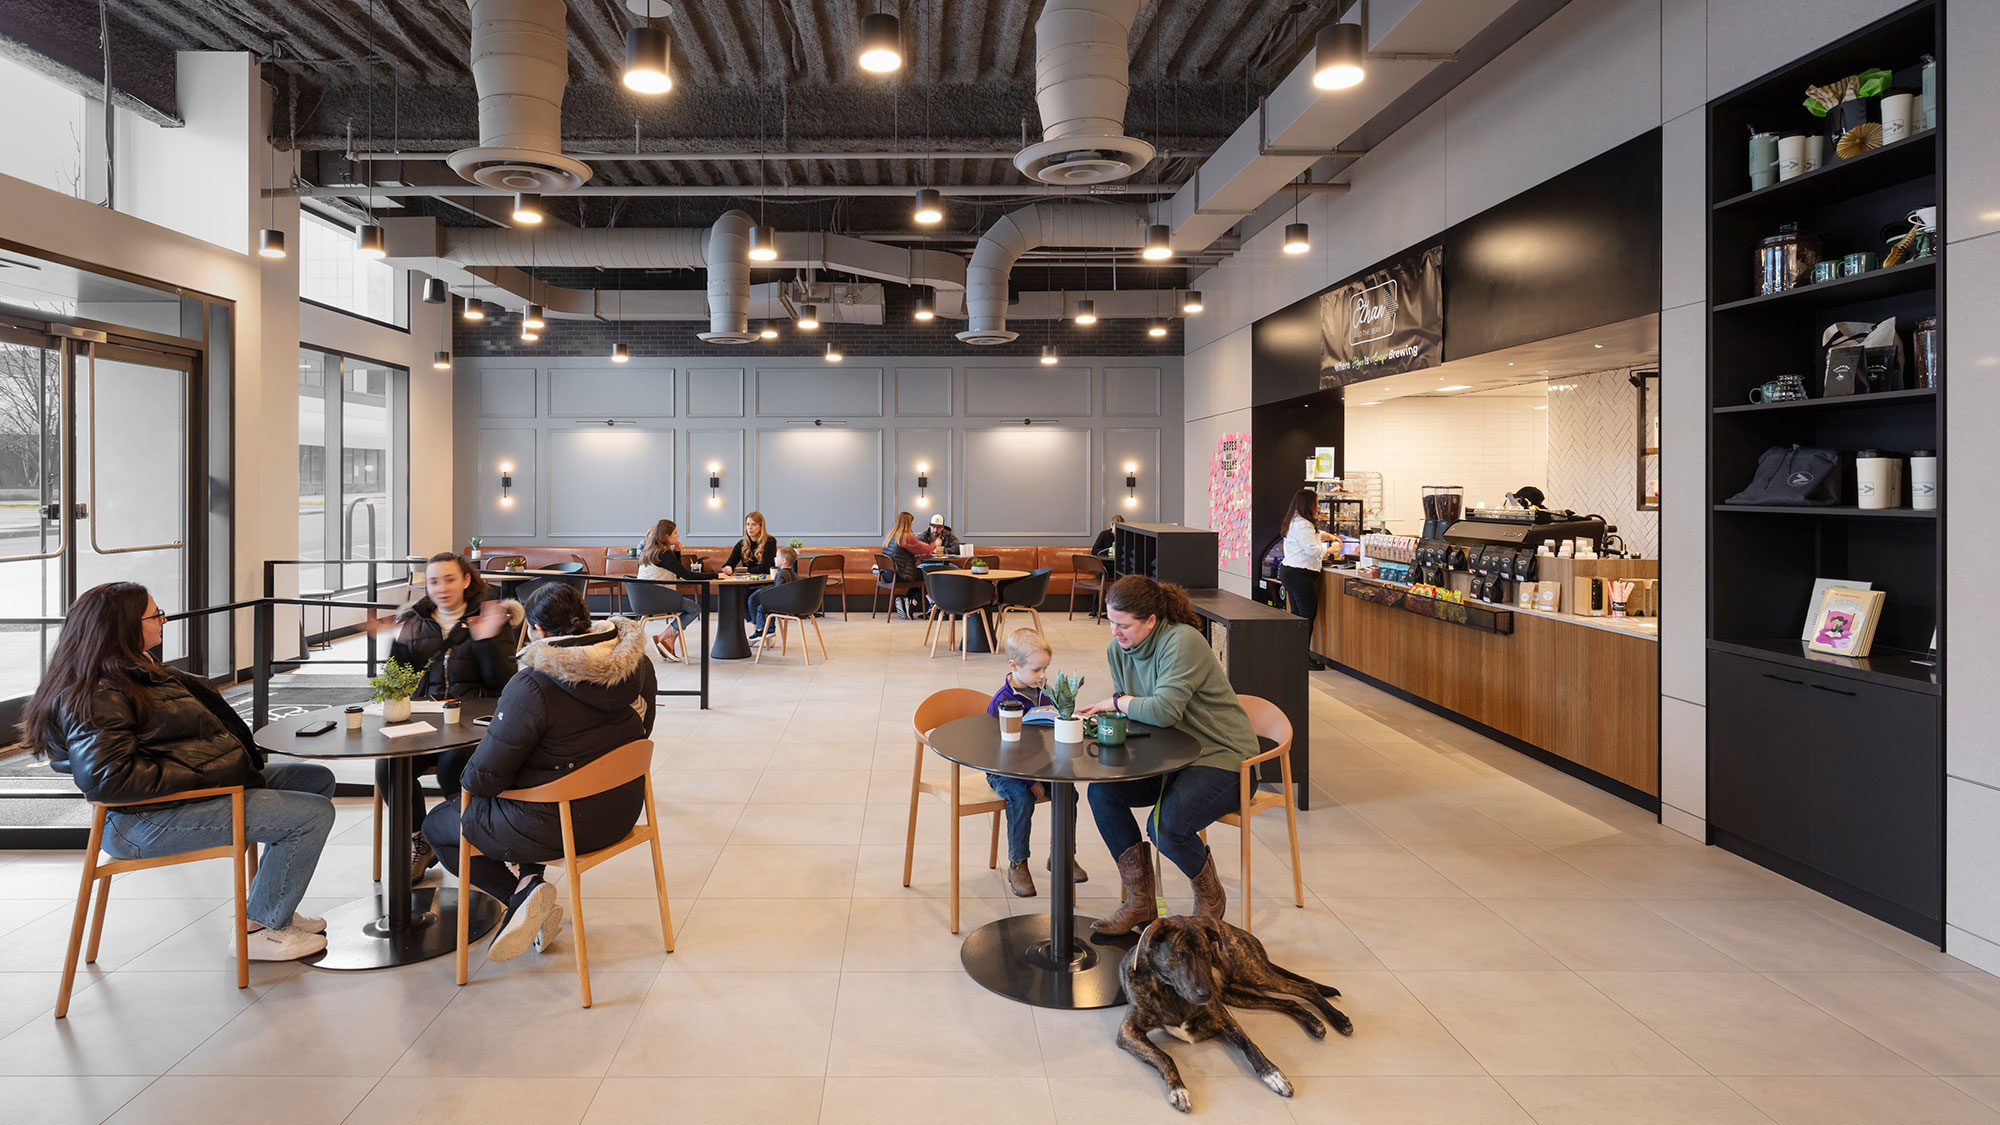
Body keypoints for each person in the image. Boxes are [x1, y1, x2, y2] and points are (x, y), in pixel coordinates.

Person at [21, 582, 338, 961]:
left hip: (173, 800)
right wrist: (212, 771)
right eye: (155, 615)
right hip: (143, 821)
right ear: (123, 627)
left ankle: (272, 901)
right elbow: (111, 779)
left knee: (314, 779)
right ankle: (261, 928)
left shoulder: (137, 670)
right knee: (311, 815)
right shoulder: (99, 693)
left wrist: (219, 766)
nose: (164, 619)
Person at [422, 582, 657, 962]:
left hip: (560, 826)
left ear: (537, 631)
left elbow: (483, 778)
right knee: (537, 792)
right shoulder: (638, 664)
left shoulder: (533, 683)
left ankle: (521, 897)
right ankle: (531, 882)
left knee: (439, 825)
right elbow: (641, 732)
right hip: (621, 809)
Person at [1077, 575, 1259, 935]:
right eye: (1111, 622)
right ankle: (1139, 900)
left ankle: (1210, 896)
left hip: (1223, 757)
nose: (1115, 632)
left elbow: (1163, 711)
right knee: (1102, 792)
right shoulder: (1119, 651)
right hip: (1172, 759)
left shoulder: (1182, 641)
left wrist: (1116, 702)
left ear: (1151, 621)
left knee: (1164, 826)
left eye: (1124, 624)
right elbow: (1135, 711)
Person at [367, 551, 523, 884]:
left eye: (450, 579)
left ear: (466, 580)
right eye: (434, 580)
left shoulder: (490, 616)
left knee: (456, 765)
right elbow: (397, 682)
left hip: (471, 726)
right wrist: (397, 646)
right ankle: (421, 840)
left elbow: (505, 685)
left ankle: (469, 838)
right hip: (425, 724)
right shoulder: (415, 620)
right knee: (390, 767)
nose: (441, 587)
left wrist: (488, 641)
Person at [984, 629, 1086, 897]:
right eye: (1036, 669)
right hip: (1004, 769)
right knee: (1020, 798)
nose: (1042, 675)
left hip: (1038, 766)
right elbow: (998, 752)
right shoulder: (1002, 701)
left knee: (1068, 792)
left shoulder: (1044, 694)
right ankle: (1018, 863)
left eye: (1046, 669)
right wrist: (1030, 781)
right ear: (1014, 666)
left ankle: (1062, 855)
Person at [1279, 487, 1335, 671]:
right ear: (1309, 505)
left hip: (1292, 573)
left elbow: (1310, 538)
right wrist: (1331, 550)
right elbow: (1314, 550)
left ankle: (1295, 653)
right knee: (1305, 617)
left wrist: (1324, 535)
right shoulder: (1303, 524)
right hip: (1300, 575)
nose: (1318, 506)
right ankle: (1303, 657)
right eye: (1317, 503)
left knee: (1298, 616)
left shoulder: (1295, 520)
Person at [636, 518, 703, 660]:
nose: (678, 536)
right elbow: (687, 575)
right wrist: (716, 575)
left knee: (691, 607)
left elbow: (675, 571)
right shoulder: (664, 553)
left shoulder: (650, 551)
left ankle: (668, 642)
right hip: (659, 599)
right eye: (675, 533)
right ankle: (663, 637)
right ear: (666, 536)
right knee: (695, 608)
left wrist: (677, 553)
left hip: (641, 599)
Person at [879, 510, 935, 619]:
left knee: (921, 575)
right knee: (930, 575)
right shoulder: (905, 536)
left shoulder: (891, 536)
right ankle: (912, 603)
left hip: (886, 574)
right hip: (900, 573)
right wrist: (936, 544)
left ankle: (907, 600)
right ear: (908, 523)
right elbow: (925, 549)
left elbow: (914, 548)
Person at [746, 545, 799, 639]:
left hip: (781, 606)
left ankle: (761, 630)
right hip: (792, 604)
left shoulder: (780, 574)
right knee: (768, 605)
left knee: (761, 607)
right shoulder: (794, 574)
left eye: (777, 556)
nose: (774, 558)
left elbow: (777, 592)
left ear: (783, 561)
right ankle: (769, 630)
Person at [718, 511, 777, 577]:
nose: (750, 527)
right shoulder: (741, 544)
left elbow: (764, 568)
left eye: (753, 524)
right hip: (747, 581)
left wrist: (745, 572)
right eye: (747, 524)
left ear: (761, 526)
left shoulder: (769, 541)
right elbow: (729, 563)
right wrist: (728, 567)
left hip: (764, 581)